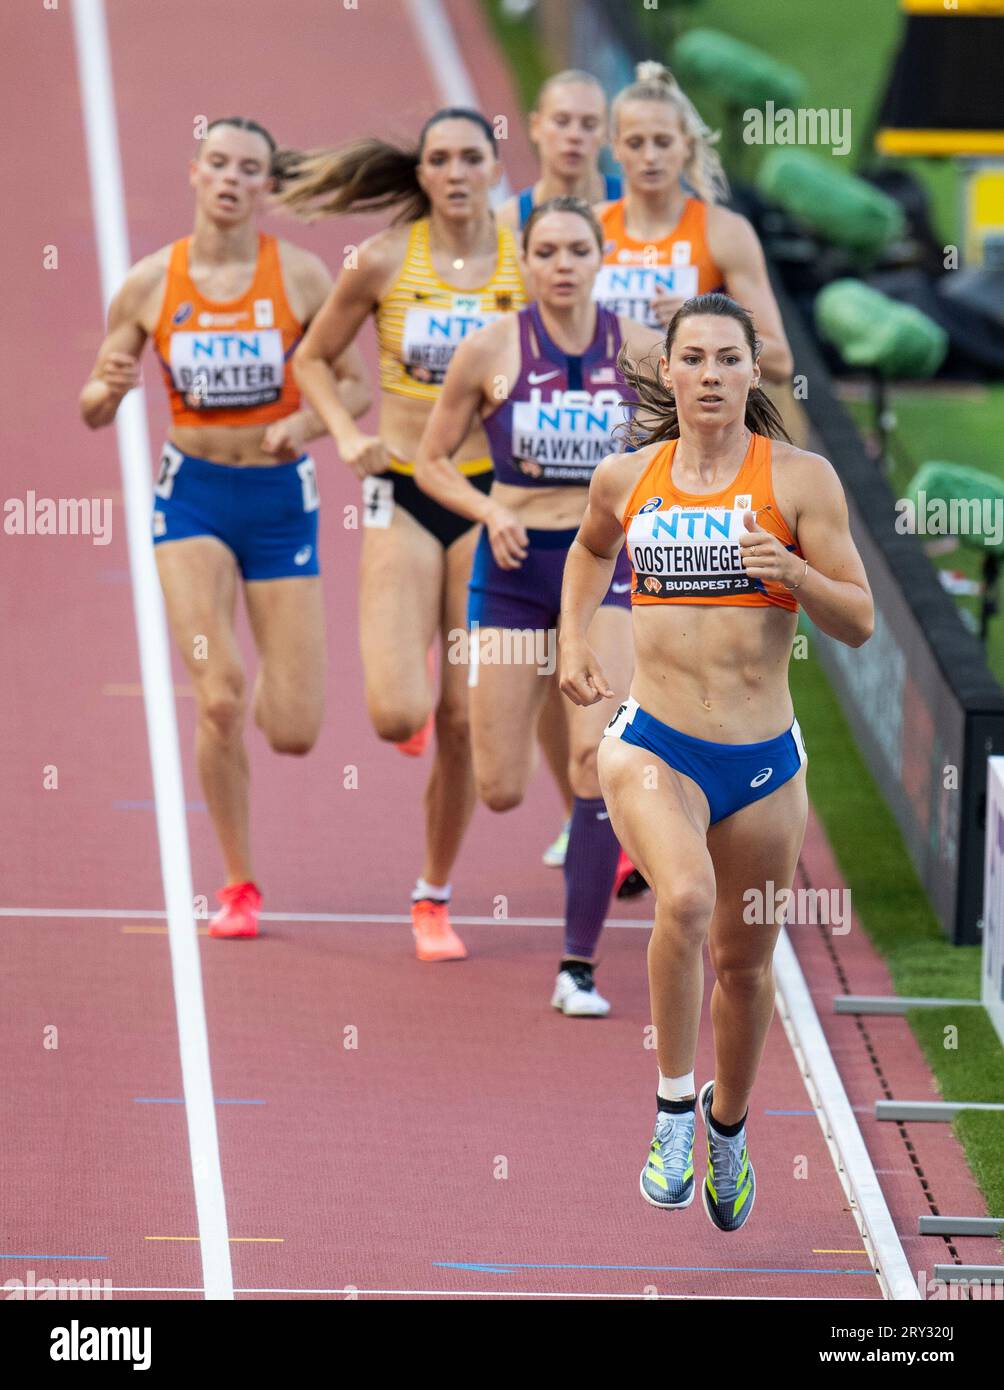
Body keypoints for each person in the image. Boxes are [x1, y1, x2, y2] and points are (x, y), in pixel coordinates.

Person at [559, 291, 872, 1228]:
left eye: (726, 359)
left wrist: (798, 576)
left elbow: (857, 621)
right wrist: (575, 637)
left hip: (766, 762)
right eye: (690, 358)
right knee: (685, 899)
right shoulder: (628, 476)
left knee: (745, 965)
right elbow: (587, 549)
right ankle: (669, 1110)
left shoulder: (803, 480)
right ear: (668, 371)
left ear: (751, 371)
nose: (707, 375)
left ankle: (726, 1125)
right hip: (653, 741)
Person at [80, 117, 370, 940]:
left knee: (294, 728)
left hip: (282, 506)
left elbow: (353, 389)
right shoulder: (147, 284)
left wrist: (306, 429)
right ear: (195, 172)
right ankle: (239, 882)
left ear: (267, 189)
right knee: (218, 697)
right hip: (194, 502)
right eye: (218, 164)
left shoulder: (303, 278)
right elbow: (94, 407)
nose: (232, 179)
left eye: (250, 169)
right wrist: (107, 391)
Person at [283, 109, 530, 962]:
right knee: (397, 713)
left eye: (472, 157)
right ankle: (418, 671)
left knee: (462, 717)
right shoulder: (385, 261)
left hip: (490, 493)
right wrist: (342, 434)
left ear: (497, 167)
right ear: (420, 174)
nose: (457, 171)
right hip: (399, 487)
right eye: (441, 159)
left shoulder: (525, 262)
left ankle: (433, 895)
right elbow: (312, 358)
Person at [416, 196, 662, 1014]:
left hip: (606, 575)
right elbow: (430, 462)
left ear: (600, 260)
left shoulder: (640, 350)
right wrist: (490, 509)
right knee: (500, 786)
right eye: (546, 250)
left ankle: (577, 967)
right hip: (516, 575)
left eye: (576, 250)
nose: (562, 264)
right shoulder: (490, 349)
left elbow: (693, 443)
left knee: (593, 763)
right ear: (525, 260)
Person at [594, 62, 793, 382]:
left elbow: (780, 362)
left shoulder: (724, 232)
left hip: (682, 424)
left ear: (686, 145)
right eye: (635, 143)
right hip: (600, 418)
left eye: (662, 142)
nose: (649, 157)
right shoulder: (590, 228)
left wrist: (702, 324)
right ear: (615, 147)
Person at [498, 68, 622, 234]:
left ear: (606, 133)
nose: (575, 135)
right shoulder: (506, 225)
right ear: (535, 126)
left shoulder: (635, 208)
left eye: (589, 124)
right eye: (561, 122)